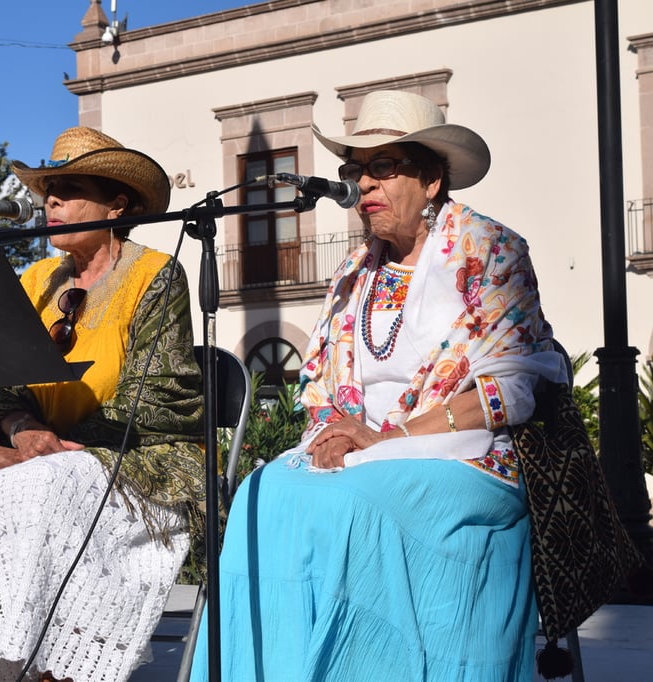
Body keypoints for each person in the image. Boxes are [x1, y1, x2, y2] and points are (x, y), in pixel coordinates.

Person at [190, 90, 568, 681]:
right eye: (356, 170)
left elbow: (514, 392)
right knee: (263, 494)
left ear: (432, 180)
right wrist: (334, 437)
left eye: (384, 167)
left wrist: (386, 436)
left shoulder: (491, 251)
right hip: (367, 452)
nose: (364, 184)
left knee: (350, 506)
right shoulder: (352, 272)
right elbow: (323, 386)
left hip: (474, 455)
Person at [0, 127, 204, 681]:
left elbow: (154, 398)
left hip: (139, 455)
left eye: (69, 187)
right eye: (49, 189)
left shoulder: (157, 274)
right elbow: (4, 388)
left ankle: (57, 669)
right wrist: (20, 431)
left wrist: (52, 451)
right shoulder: (34, 280)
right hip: (46, 457)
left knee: (45, 485)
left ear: (118, 203)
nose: (52, 201)